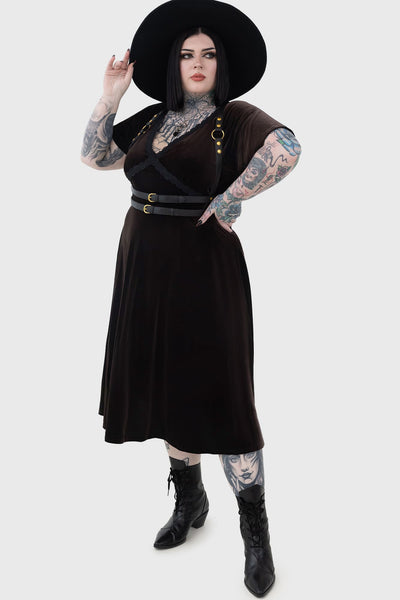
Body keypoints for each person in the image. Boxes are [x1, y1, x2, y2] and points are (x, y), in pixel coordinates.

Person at [80, 0, 301, 596]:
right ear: (173, 65)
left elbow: (287, 146)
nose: (197, 63)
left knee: (224, 399)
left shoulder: (236, 116)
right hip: (144, 265)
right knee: (167, 386)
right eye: (186, 55)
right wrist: (111, 95)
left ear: (221, 63)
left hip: (205, 267)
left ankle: (255, 533)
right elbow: (95, 156)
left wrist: (232, 198)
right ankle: (190, 500)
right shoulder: (153, 119)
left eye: (207, 54)